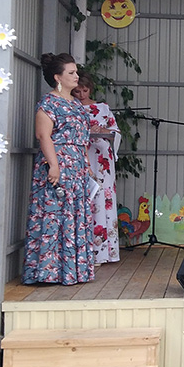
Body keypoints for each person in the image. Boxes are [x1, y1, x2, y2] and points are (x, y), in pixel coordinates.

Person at [23, 53, 95, 285]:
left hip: (77, 167)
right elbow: (43, 135)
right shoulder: (49, 103)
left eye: (76, 72)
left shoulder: (76, 104)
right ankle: (49, 272)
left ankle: (73, 270)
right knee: (54, 215)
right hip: (58, 163)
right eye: (71, 73)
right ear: (58, 77)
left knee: (75, 216)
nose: (76, 76)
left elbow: (82, 137)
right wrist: (54, 165)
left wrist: (86, 164)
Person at [73, 73, 121, 265]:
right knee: (85, 198)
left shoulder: (103, 108)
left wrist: (103, 131)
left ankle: (103, 252)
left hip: (102, 158)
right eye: (77, 91)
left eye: (85, 90)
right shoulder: (71, 107)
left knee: (103, 197)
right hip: (82, 155)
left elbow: (115, 132)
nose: (81, 95)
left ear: (90, 89)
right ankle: (83, 252)